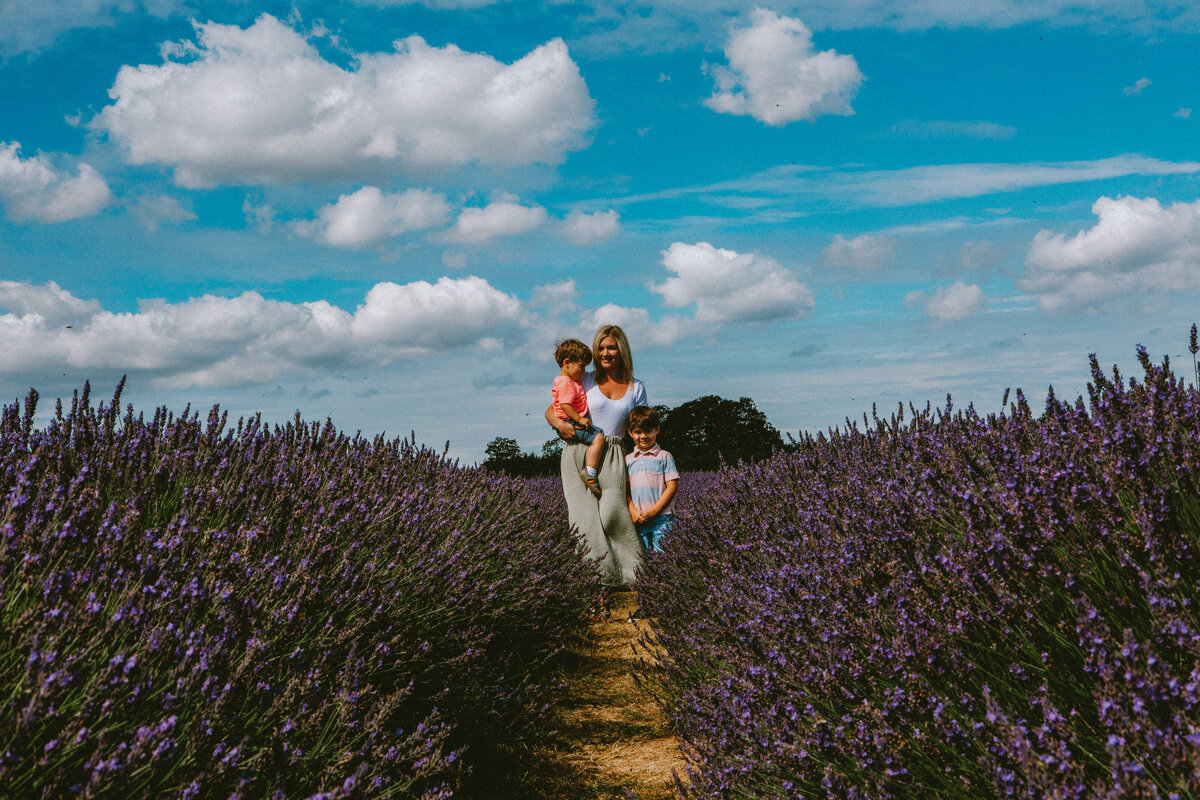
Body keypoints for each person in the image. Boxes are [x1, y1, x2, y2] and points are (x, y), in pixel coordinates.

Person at [545, 325, 647, 586]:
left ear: (621, 349)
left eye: (610, 347)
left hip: (613, 451)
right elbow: (552, 409)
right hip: (579, 450)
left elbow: (641, 425)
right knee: (584, 518)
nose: (605, 352)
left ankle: (632, 576)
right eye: (600, 347)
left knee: (613, 513)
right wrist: (560, 425)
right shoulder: (584, 379)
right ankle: (597, 580)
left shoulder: (636, 387)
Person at [551, 338, 605, 498]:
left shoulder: (569, 380)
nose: (583, 371)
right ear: (567, 362)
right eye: (581, 366)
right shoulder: (567, 383)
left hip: (570, 421)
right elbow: (565, 405)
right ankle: (590, 472)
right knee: (599, 438)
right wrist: (580, 419)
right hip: (570, 422)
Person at [624, 406, 679, 553]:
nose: (643, 436)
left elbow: (672, 486)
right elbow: (624, 491)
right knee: (640, 560)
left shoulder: (664, 456)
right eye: (638, 432)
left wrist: (654, 511)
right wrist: (633, 512)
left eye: (648, 431)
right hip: (637, 519)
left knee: (665, 558)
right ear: (630, 433)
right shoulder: (627, 460)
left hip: (661, 518)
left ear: (657, 429)